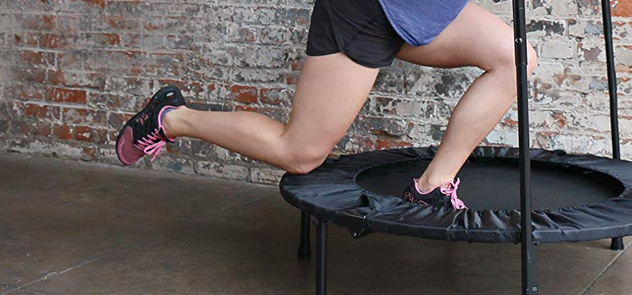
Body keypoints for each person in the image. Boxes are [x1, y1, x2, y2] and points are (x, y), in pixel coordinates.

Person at [115, 0, 538, 210]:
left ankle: (428, 190)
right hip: (366, 9)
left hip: (425, 6)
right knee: (299, 153)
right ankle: (173, 119)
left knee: (515, 57)